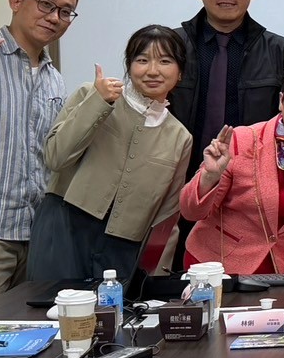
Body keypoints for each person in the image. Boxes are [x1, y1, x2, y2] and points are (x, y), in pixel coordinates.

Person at [26, 25, 193, 283]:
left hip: (123, 250)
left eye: (165, 61)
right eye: (142, 60)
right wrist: (98, 103)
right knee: (50, 305)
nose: (152, 70)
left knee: (114, 310)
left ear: (180, 72)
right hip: (64, 229)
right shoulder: (91, 95)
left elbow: (167, 216)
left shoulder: (180, 137)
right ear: (129, 66)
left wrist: (156, 279)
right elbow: (55, 157)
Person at [170, 0, 284, 272]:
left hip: (250, 192)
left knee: (247, 281)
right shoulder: (172, 47)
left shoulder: (281, 51)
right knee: (177, 278)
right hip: (178, 184)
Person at [0, 0, 81, 303]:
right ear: (16, 1)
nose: (54, 17)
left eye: (65, 11)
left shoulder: (54, 79)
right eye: (45, 4)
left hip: (34, 236)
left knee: (28, 330)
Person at [179, 58, 284, 276]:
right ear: (281, 100)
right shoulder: (242, 140)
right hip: (216, 268)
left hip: (282, 274)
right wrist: (209, 176)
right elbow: (191, 212)